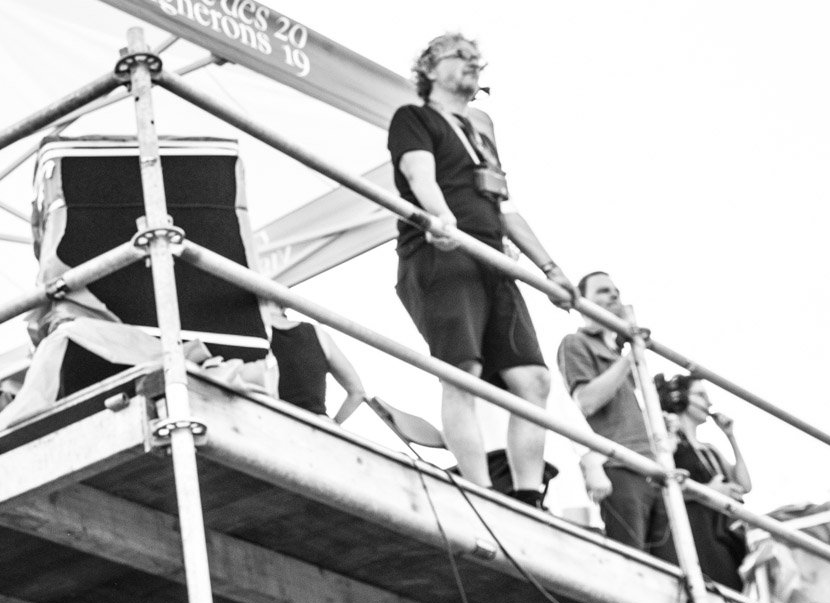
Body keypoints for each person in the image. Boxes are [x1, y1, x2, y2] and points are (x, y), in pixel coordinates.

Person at [388, 32, 578, 505]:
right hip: (443, 254)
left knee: (532, 381)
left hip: (493, 259)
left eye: (478, 61)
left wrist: (550, 269)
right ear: (430, 68)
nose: (474, 65)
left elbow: (506, 208)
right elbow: (418, 175)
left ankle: (528, 495)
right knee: (463, 370)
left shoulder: (480, 132)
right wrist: (441, 217)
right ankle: (479, 490)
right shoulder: (414, 118)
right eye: (462, 57)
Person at [555, 272, 667, 547]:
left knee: (670, 572)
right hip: (619, 467)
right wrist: (631, 357)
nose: (614, 295)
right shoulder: (576, 343)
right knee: (633, 559)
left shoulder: (620, 353)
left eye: (616, 290)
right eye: (603, 291)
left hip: (652, 471)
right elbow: (587, 401)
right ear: (583, 303)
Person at [653, 374, 753, 589]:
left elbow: (745, 485)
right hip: (696, 531)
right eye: (700, 395)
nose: (709, 403)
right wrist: (710, 491)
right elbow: (659, 487)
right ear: (679, 398)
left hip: (722, 533)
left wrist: (730, 436)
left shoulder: (709, 449)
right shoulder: (671, 442)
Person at [260, 300, 366, 423]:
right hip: (315, 427)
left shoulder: (251, 336)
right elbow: (358, 392)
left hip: (271, 424)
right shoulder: (318, 334)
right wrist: (334, 425)